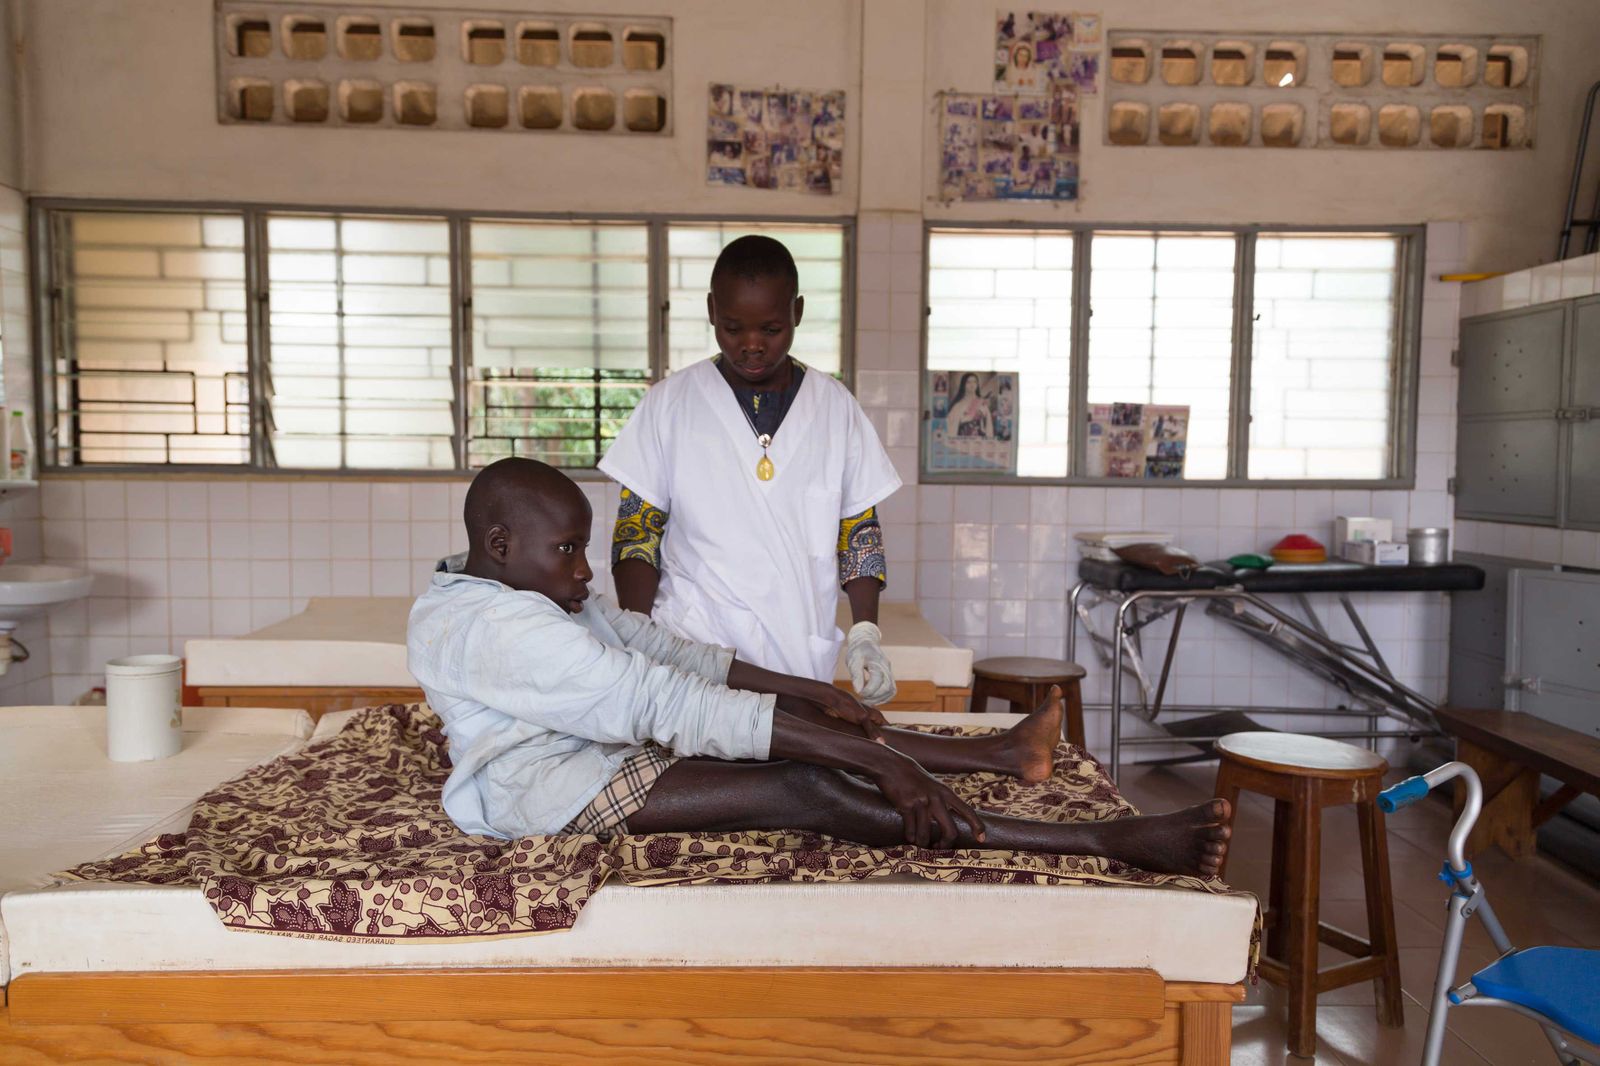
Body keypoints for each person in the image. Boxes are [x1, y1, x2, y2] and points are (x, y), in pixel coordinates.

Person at [407, 457, 1233, 873]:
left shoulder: (529, 587)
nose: (586, 570)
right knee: (806, 784)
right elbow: (658, 700)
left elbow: (652, 648)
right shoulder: (494, 630)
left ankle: (998, 754)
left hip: (596, 739)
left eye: (582, 551)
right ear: (501, 545)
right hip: (546, 785)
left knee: (804, 726)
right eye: (569, 552)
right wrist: (874, 758)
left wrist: (805, 690)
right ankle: (1100, 839)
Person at [599, 235, 900, 704]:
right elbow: (637, 532)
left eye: (772, 328)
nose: (752, 346)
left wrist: (865, 631)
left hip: (796, 652)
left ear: (798, 312)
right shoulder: (670, 404)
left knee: (795, 770)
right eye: (733, 328)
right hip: (691, 643)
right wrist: (637, 632)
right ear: (711, 311)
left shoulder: (835, 407)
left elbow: (859, 528)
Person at [949, 372, 992, 438]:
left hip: (980, 443)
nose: (972, 385)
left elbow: (989, 427)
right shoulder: (958, 406)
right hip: (962, 442)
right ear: (963, 385)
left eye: (975, 382)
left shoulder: (982, 404)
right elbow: (952, 430)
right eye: (968, 382)